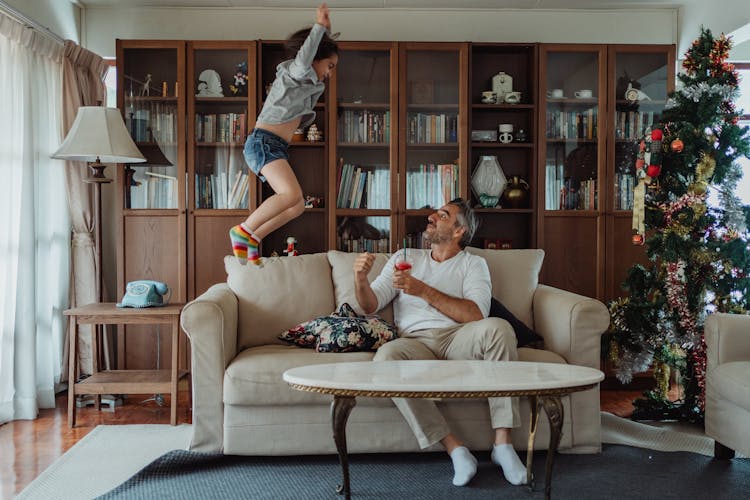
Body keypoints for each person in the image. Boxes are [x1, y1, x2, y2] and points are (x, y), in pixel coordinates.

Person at [352, 198, 527, 487]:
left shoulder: (474, 264)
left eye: (443, 215)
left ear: (460, 231)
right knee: (386, 359)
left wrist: (422, 290)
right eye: (435, 213)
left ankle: (503, 444)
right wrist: (360, 279)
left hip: (458, 338)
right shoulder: (404, 257)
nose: (432, 217)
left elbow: (476, 314)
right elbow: (371, 304)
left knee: (499, 328)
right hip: (414, 342)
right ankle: (455, 449)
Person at [230, 3, 338, 265]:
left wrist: (324, 37)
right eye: (330, 66)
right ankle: (242, 231)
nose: (330, 73)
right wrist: (320, 28)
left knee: (298, 205)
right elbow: (305, 56)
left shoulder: (307, 83)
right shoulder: (295, 72)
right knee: (289, 196)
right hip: (263, 142)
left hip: (274, 146)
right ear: (315, 57)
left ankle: (254, 237)